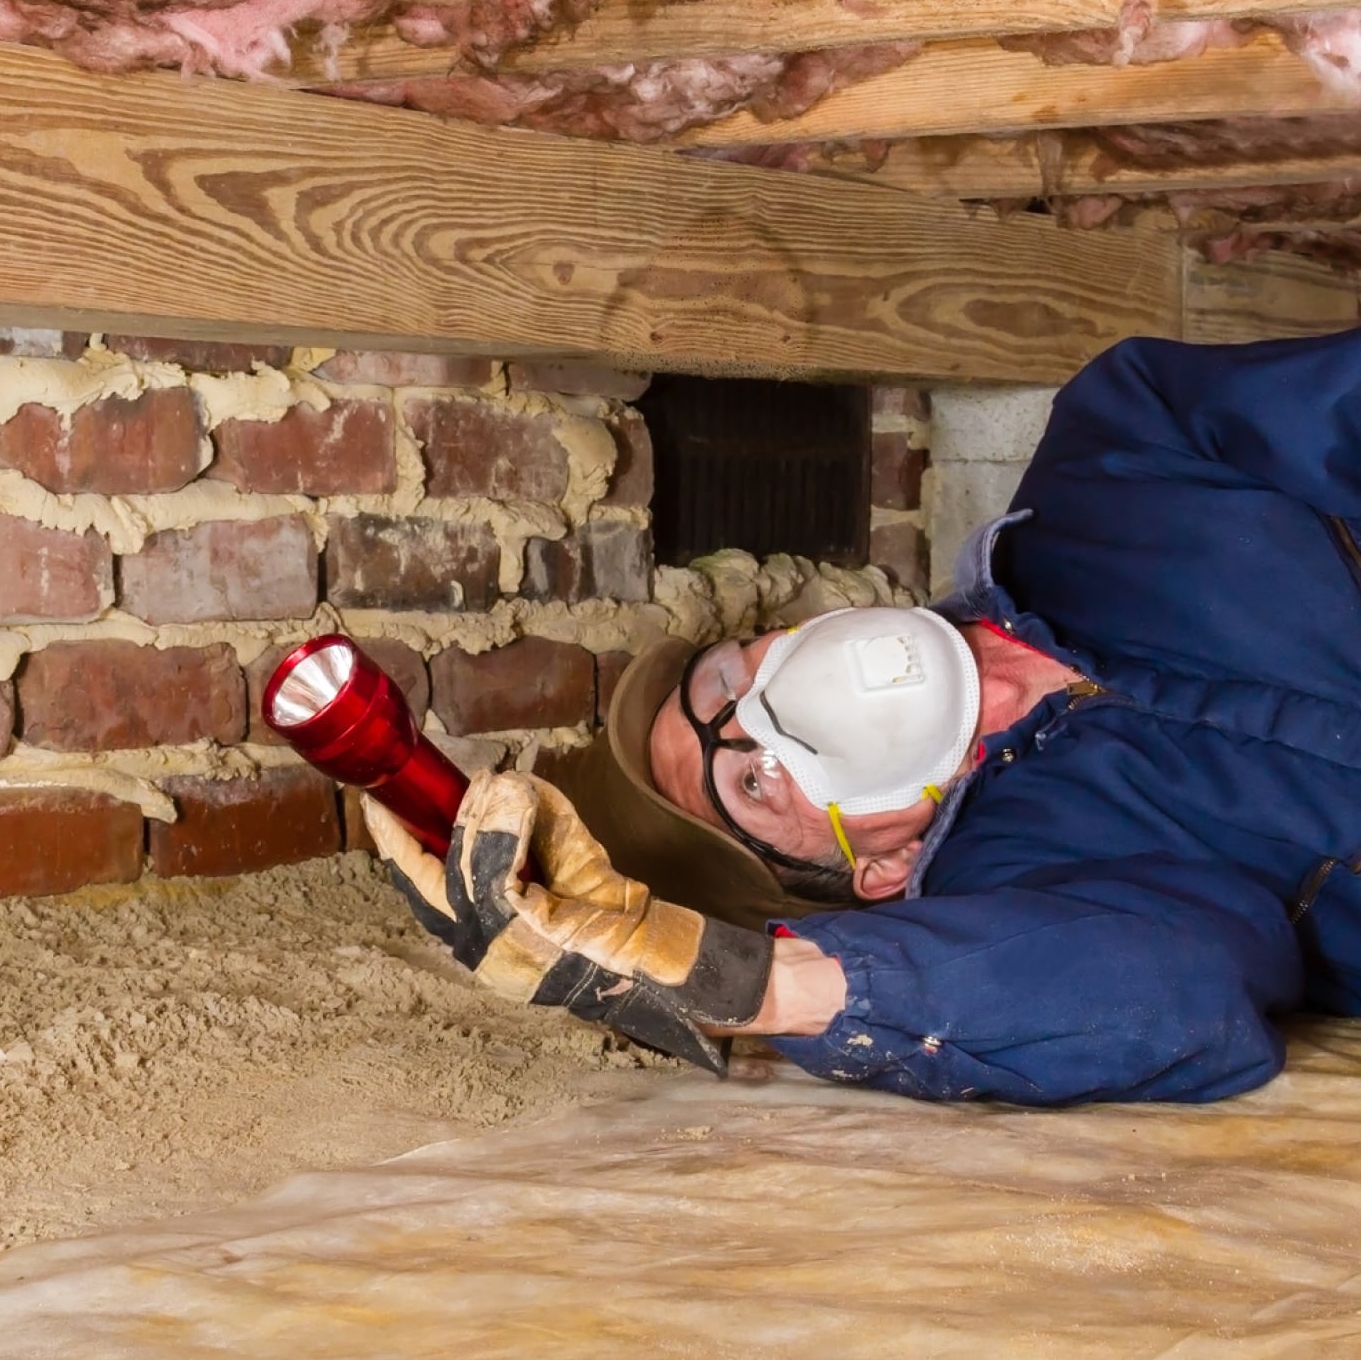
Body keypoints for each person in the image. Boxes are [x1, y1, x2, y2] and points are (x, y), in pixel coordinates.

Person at [368, 328, 1361, 1106]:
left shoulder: (1119, 450)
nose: (763, 709)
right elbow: (1170, 995)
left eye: (720, 685)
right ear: (869, 871)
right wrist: (743, 982)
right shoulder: (1032, 893)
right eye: (750, 778)